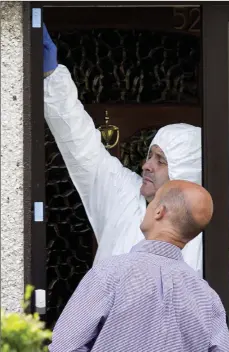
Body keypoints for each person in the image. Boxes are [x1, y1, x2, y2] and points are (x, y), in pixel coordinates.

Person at [43, 25, 202, 274]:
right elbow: (82, 146)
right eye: (150, 155)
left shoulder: (211, 242)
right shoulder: (125, 195)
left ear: (185, 173)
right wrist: (52, 78)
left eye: (161, 160)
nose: (146, 165)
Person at [49, 180, 229, 352]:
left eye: (153, 201)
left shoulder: (111, 273)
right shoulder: (207, 299)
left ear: (159, 212)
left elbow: (66, 350)